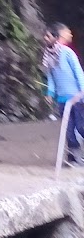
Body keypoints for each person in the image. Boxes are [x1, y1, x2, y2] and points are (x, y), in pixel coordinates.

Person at [43, 23, 84, 167]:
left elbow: (79, 73)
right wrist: (49, 93)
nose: (45, 38)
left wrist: (82, 92)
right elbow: (51, 77)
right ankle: (74, 157)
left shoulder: (67, 53)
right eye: (45, 36)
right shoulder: (48, 56)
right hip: (62, 99)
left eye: (48, 36)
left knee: (81, 127)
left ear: (55, 37)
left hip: (77, 97)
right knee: (68, 129)